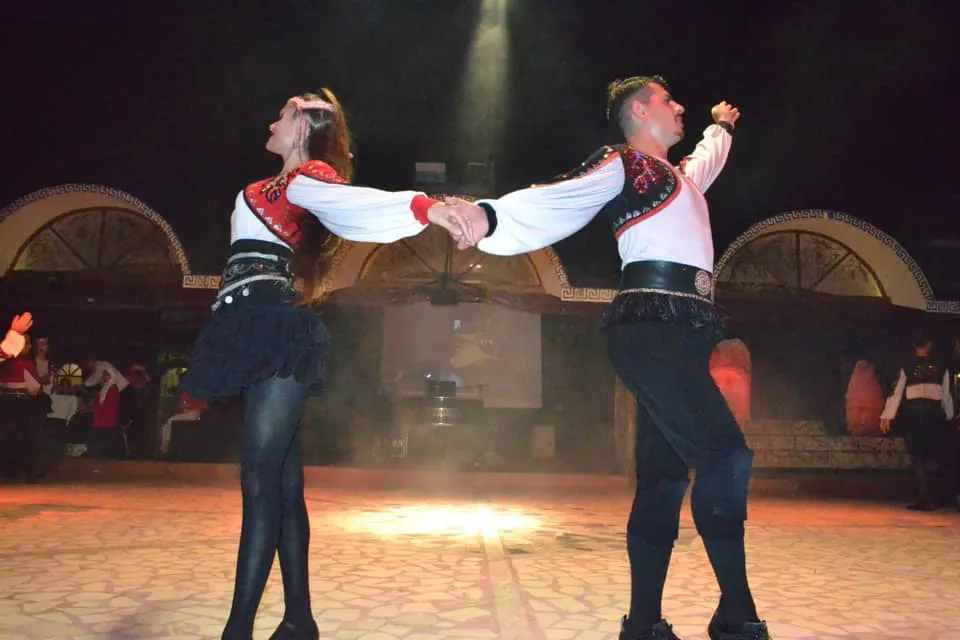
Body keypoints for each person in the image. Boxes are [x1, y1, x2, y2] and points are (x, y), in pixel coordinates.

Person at [444, 76, 768, 640]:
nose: (680, 106)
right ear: (640, 111)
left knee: (665, 477)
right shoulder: (626, 165)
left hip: (688, 333)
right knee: (726, 456)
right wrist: (488, 218)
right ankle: (735, 615)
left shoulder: (681, 179)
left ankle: (642, 623)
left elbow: (707, 161)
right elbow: (561, 195)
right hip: (650, 329)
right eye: (668, 100)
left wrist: (721, 126)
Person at [179, 88, 462, 640]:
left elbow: (362, 206)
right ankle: (299, 620)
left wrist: (428, 208)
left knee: (260, 478)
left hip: (277, 329)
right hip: (248, 322)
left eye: (283, 113)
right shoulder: (271, 186)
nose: (272, 120)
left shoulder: (308, 178)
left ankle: (238, 630)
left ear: (305, 126)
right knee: (282, 484)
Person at [880, 335, 955, 510]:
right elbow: (947, 396)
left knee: (919, 456)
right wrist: (949, 416)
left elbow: (896, 393)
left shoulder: (907, 366)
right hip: (934, 414)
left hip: (915, 414)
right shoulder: (941, 367)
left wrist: (887, 416)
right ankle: (942, 497)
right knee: (934, 456)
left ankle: (926, 499)